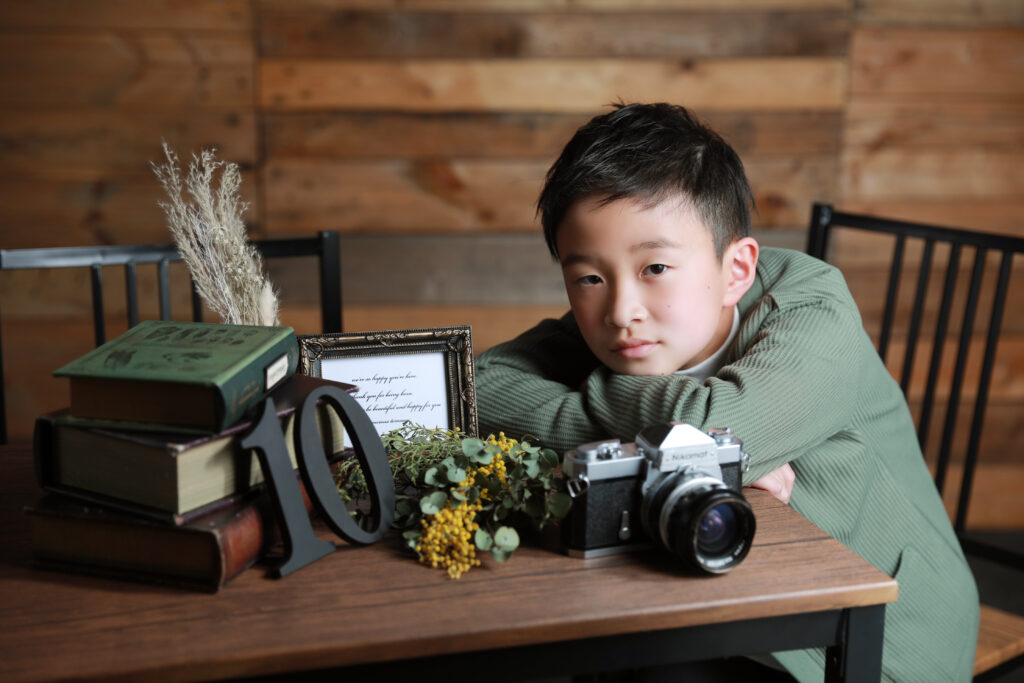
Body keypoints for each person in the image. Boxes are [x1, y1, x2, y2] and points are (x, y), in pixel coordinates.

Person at [475, 102, 979, 682]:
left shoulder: (814, 309)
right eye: (588, 277)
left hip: (873, 631)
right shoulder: (636, 324)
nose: (620, 311)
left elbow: (716, 415)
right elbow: (481, 386)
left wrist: (679, 434)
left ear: (735, 270)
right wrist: (689, 454)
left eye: (655, 268)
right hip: (717, 594)